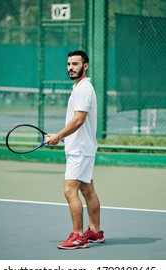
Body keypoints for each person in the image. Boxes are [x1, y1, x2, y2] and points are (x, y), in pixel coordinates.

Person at [46, 50, 104, 249]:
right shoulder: (80, 88)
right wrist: (62, 138)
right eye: (69, 64)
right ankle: (95, 232)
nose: (71, 67)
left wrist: (59, 136)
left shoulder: (83, 89)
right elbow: (78, 122)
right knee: (87, 190)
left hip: (80, 150)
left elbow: (79, 119)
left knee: (70, 190)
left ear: (85, 66)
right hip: (82, 147)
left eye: (75, 64)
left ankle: (78, 236)